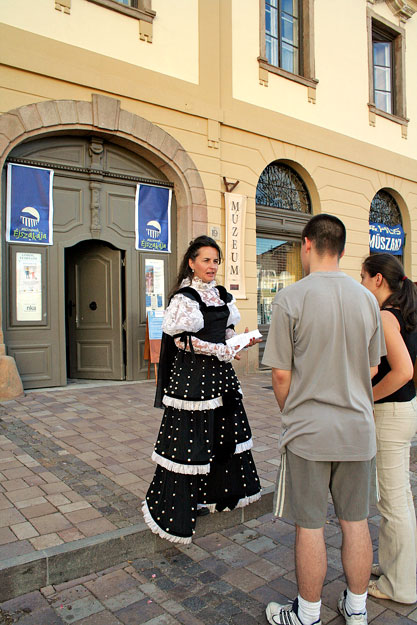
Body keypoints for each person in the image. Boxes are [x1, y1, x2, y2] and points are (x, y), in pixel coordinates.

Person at [262, 214, 386, 625]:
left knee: (310, 526)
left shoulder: (291, 298)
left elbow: (280, 373)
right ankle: (356, 609)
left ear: (307, 244)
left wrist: (293, 411)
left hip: (309, 432)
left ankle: (308, 615)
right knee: (357, 523)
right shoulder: (367, 299)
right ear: (344, 250)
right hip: (357, 430)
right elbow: (372, 369)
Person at [142, 235, 261, 544]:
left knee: (220, 437)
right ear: (192, 262)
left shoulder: (221, 294)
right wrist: (220, 349)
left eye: (216, 260)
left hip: (221, 378)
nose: (212, 266)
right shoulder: (184, 297)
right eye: (206, 260)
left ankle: (210, 494)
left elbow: (227, 328)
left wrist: (237, 341)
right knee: (190, 441)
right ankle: (183, 503)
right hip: (193, 382)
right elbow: (182, 340)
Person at [361, 253, 417, 604]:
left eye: (364, 277)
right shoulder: (404, 312)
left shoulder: (384, 316)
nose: (362, 284)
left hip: (391, 413)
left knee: (394, 502)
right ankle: (395, 566)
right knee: (397, 499)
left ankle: (400, 586)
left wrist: (369, 397)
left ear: (379, 280)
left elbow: (403, 371)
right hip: (404, 410)